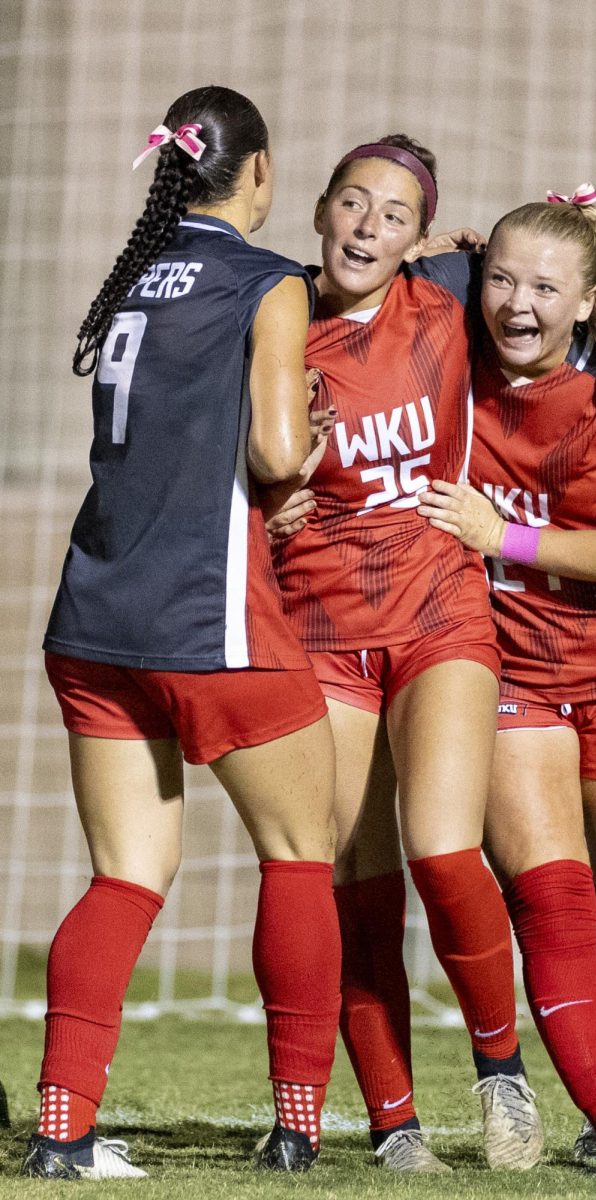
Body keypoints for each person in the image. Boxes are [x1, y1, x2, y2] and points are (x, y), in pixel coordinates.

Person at [263, 148, 596, 1174]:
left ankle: (521, 1078)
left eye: (394, 213)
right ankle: (396, 1126)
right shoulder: (271, 313)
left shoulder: (461, 308)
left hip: (511, 638)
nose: (368, 226)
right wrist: (266, 496)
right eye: (352, 203)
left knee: (492, 872)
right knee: (357, 878)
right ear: (316, 209)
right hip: (343, 636)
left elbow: (544, 265)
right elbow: (210, 450)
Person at [22, 86, 340, 1180]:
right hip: (213, 625)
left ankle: (62, 1131)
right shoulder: (270, 281)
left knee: (125, 877)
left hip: (95, 624)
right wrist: (313, 425)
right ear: (260, 171)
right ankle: (297, 1125)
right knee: (301, 857)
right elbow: (278, 453)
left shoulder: (133, 281)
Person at [417, 188, 596, 1176]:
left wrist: (504, 537)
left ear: (588, 303)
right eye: (500, 278)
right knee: (552, 905)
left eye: (544, 286)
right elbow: (352, 287)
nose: (515, 301)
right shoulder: (451, 308)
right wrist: (427, 240)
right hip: (503, 664)